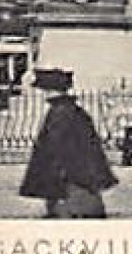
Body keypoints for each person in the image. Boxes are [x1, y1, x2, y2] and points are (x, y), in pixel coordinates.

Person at [19, 69, 117, 219]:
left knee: (69, 214)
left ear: (49, 91)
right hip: (81, 178)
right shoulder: (75, 111)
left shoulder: (60, 113)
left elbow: (55, 149)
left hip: (69, 182)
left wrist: (53, 178)